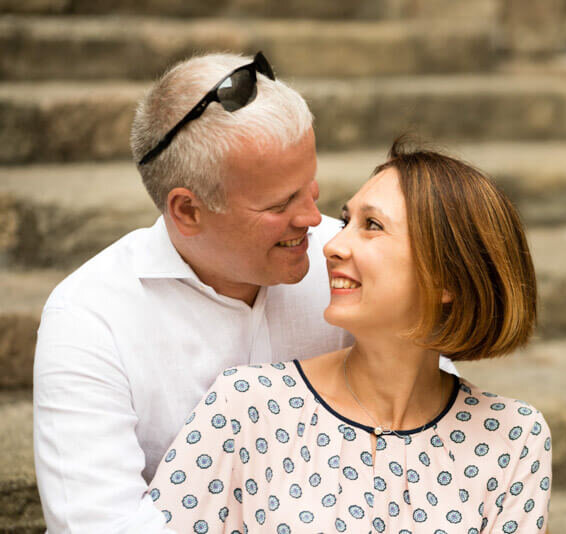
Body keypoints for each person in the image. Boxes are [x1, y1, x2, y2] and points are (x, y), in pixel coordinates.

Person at [32, 52, 457, 533]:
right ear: (188, 211)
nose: (315, 221)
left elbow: (432, 413)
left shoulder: (345, 263)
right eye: (280, 204)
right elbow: (100, 525)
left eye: (312, 189)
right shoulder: (91, 319)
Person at [146, 140, 552, 533]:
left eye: (372, 226)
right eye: (346, 222)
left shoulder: (513, 438)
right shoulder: (250, 405)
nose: (333, 245)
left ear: (446, 277)